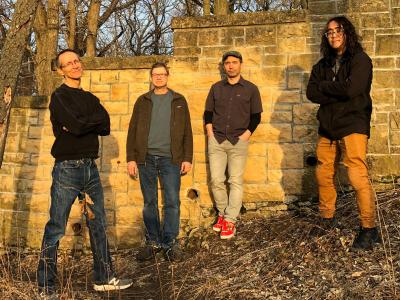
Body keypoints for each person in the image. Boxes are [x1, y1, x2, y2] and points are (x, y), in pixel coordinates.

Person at [37, 49, 133, 298]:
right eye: (68, 64)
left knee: (98, 223)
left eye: (76, 61)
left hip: (90, 167)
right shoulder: (58, 97)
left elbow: (105, 124)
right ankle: (46, 285)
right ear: (61, 70)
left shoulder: (89, 97)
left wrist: (81, 125)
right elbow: (82, 125)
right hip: (67, 168)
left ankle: (104, 277)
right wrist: (85, 124)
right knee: (56, 226)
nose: (74, 66)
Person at [306, 16, 380, 250]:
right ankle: (327, 218)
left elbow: (352, 89)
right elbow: (311, 93)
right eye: (329, 32)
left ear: (347, 32)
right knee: (322, 174)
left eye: (338, 30)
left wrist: (325, 88)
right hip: (327, 127)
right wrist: (338, 90)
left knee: (357, 176)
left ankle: (369, 229)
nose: (333, 35)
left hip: (353, 125)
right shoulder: (322, 65)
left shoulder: (360, 60)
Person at [126, 62, 193, 262]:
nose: (159, 77)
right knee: (150, 202)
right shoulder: (143, 101)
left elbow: (187, 132)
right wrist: (131, 158)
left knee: (172, 201)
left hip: (171, 159)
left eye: (162, 74)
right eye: (155, 74)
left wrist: (187, 158)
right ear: (151, 77)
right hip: (145, 159)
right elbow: (132, 130)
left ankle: (170, 243)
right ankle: (153, 242)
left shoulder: (179, 100)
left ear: (168, 76)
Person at [204, 51, 263, 239]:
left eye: (234, 62)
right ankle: (222, 213)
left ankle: (230, 220)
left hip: (239, 140)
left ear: (240, 64)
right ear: (223, 66)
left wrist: (246, 135)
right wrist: (210, 133)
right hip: (218, 140)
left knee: (235, 181)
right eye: (227, 63)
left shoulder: (251, 89)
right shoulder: (216, 88)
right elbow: (208, 113)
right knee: (216, 180)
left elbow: (256, 116)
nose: (230, 66)